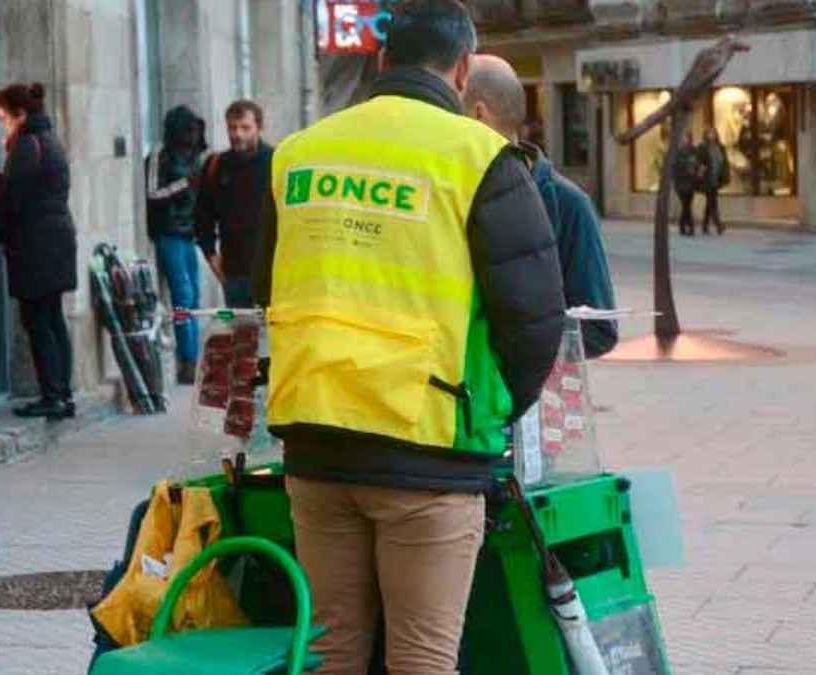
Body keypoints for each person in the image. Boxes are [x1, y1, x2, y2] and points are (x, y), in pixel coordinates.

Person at [253, 1, 565, 672]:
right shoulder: (480, 158)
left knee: (331, 651)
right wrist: (489, 410)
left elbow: (264, 288)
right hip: (430, 451)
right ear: (461, 70)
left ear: (381, 59)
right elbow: (536, 318)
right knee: (422, 659)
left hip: (315, 443)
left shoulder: (301, 153)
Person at [464, 54, 619, 358]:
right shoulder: (449, 191)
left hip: (524, 400)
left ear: (478, 114)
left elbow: (598, 331)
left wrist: (492, 344)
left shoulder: (568, 204)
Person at [0, 82, 77, 419]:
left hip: (36, 245)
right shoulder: (49, 141)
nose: (2, 124)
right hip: (55, 240)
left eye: (3, 117)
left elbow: (13, 199)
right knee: (52, 317)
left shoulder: (27, 145)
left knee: (39, 320)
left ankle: (52, 395)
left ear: (20, 115)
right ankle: (62, 393)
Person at [146, 105, 206, 384]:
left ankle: (193, 359)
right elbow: (153, 193)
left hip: (187, 233)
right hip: (168, 232)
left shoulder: (194, 156)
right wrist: (184, 185)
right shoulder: (160, 156)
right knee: (183, 297)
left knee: (193, 298)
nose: (192, 137)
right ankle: (188, 361)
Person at [195, 100, 273, 307]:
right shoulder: (216, 166)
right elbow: (202, 218)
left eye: (245, 128)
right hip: (234, 273)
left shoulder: (276, 162)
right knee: (241, 337)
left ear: (259, 127)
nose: (237, 134)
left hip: (273, 273)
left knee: (275, 337)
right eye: (232, 127)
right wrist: (213, 259)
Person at [699, 128, 729, 235]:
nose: (712, 135)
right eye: (709, 133)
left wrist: (724, 176)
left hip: (716, 178)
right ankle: (718, 225)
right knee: (713, 203)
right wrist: (700, 175)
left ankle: (704, 225)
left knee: (710, 203)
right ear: (706, 135)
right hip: (707, 179)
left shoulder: (720, 148)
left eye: (714, 133)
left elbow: (724, 162)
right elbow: (700, 163)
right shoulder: (703, 147)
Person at [673, 130, 701, 237]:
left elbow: (698, 163)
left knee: (687, 205)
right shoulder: (678, 152)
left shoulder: (694, 150)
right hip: (680, 182)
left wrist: (698, 170)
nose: (686, 140)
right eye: (684, 138)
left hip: (691, 181)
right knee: (686, 205)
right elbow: (676, 166)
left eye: (687, 137)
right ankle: (689, 227)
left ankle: (684, 227)